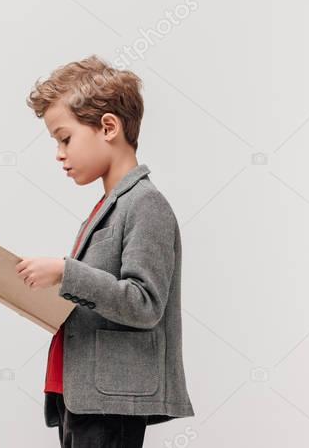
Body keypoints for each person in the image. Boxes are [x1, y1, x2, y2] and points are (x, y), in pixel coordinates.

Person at [16, 55, 194, 447]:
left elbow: (145, 303)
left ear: (108, 127)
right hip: (84, 393)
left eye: (65, 138)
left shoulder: (146, 204)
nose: (59, 154)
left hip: (110, 397)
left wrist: (66, 272)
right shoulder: (107, 208)